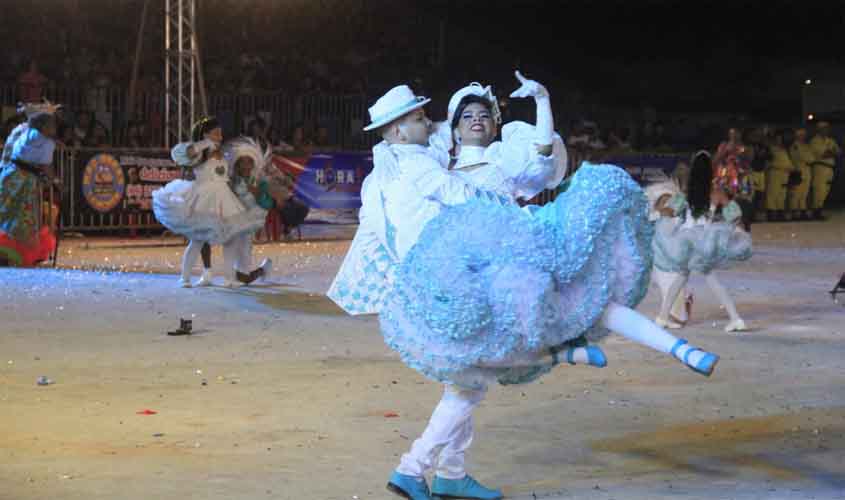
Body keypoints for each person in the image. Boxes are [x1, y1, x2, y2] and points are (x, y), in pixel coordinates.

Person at [333, 81, 720, 500]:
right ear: (397, 130)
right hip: (471, 276)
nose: (432, 123)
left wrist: (540, 101)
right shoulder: (424, 168)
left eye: (481, 116)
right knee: (501, 359)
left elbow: (531, 153)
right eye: (420, 118)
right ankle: (414, 467)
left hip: (465, 273)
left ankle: (448, 472)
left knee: (470, 381)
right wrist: (519, 222)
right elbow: (455, 194)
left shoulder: (408, 163)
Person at [152, 117, 267, 287]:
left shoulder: (221, 153)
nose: (220, 136)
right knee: (198, 240)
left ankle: (229, 278)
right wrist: (205, 143)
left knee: (231, 238)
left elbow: (224, 177)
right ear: (206, 134)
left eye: (220, 133)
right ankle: (185, 277)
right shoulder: (200, 152)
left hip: (224, 198)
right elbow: (182, 153)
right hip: (204, 198)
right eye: (216, 133)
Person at [652, 151, 751, 332]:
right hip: (705, 241)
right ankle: (735, 318)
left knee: (687, 278)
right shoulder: (717, 193)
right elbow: (734, 215)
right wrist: (737, 230)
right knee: (701, 280)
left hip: (686, 241)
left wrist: (659, 208)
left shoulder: (685, 194)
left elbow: (671, 212)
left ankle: (663, 317)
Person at [0, 100, 60, 267]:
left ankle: (6, 252)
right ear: (43, 124)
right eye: (51, 123)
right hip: (24, 182)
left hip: (8, 176)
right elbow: (46, 166)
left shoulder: (20, 130)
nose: (54, 126)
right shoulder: (44, 141)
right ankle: (19, 253)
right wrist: (54, 181)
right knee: (22, 218)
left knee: (5, 213)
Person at [713, 126, 753, 230]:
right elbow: (716, 159)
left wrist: (740, 154)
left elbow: (748, 161)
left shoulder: (746, 147)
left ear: (740, 134)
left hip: (741, 177)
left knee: (742, 200)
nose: (734, 135)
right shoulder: (724, 145)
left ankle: (743, 225)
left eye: (736, 133)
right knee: (724, 200)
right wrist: (725, 151)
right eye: (731, 133)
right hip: (725, 177)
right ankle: (725, 224)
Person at [808, 121, 840, 220]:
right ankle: (815, 211)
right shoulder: (814, 141)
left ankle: (819, 209)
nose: (826, 130)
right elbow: (822, 154)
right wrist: (831, 152)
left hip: (830, 168)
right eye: (824, 128)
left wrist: (831, 152)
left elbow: (838, 152)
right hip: (820, 167)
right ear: (819, 129)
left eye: (827, 128)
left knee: (826, 190)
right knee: (819, 190)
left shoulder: (831, 140)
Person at [765, 128, 795, 222]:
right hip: (775, 174)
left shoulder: (784, 149)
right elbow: (768, 163)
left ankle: (780, 213)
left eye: (780, 138)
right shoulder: (770, 148)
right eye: (777, 138)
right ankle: (771, 214)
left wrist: (791, 168)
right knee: (772, 194)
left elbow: (787, 161)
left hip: (784, 174)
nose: (779, 140)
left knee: (782, 194)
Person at [789, 127, 814, 220]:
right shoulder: (795, 146)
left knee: (804, 194)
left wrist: (809, 159)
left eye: (804, 135)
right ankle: (795, 213)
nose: (803, 137)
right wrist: (809, 159)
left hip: (807, 171)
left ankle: (803, 212)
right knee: (796, 194)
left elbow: (812, 158)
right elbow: (805, 157)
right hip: (798, 171)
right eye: (801, 135)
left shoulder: (806, 146)